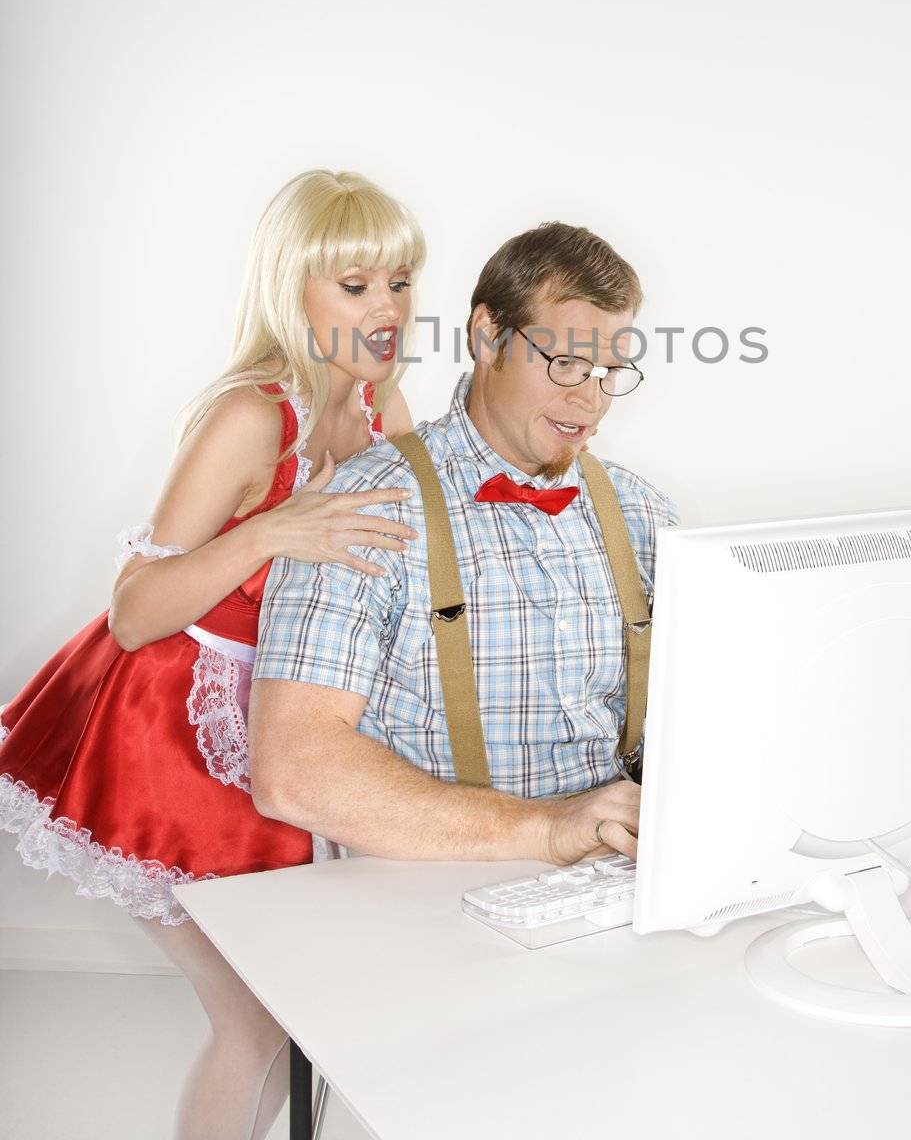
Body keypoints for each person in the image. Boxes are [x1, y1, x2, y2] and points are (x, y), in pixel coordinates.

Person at [0, 168, 425, 1140]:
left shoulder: (373, 406)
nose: (388, 307)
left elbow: (408, 553)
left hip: (281, 718)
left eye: (400, 281)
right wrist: (274, 530)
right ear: (294, 286)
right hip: (166, 731)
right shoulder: (247, 415)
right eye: (356, 284)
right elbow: (134, 609)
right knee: (258, 1018)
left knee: (297, 1015)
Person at [250, 220, 678, 873]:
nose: (588, 398)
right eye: (563, 362)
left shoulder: (642, 513)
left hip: (607, 889)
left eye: (607, 370)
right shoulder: (361, 509)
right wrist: (544, 829)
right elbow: (293, 770)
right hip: (421, 897)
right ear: (486, 335)